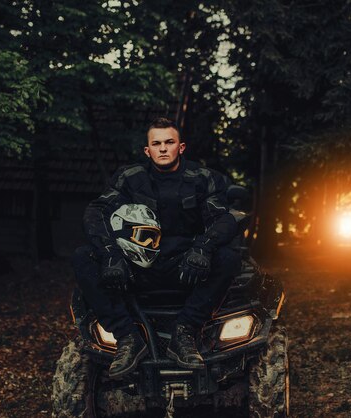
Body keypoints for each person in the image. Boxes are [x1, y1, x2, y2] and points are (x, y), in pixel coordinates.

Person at [72, 117, 241, 378]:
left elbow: (224, 217)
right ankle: (128, 338)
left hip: (186, 268)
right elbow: (96, 212)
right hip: (137, 269)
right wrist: (110, 255)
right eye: (157, 143)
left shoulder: (202, 178)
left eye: (169, 142)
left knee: (229, 258)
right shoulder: (130, 178)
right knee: (82, 257)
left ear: (181, 147)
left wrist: (203, 248)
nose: (163, 148)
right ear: (147, 150)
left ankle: (184, 333)